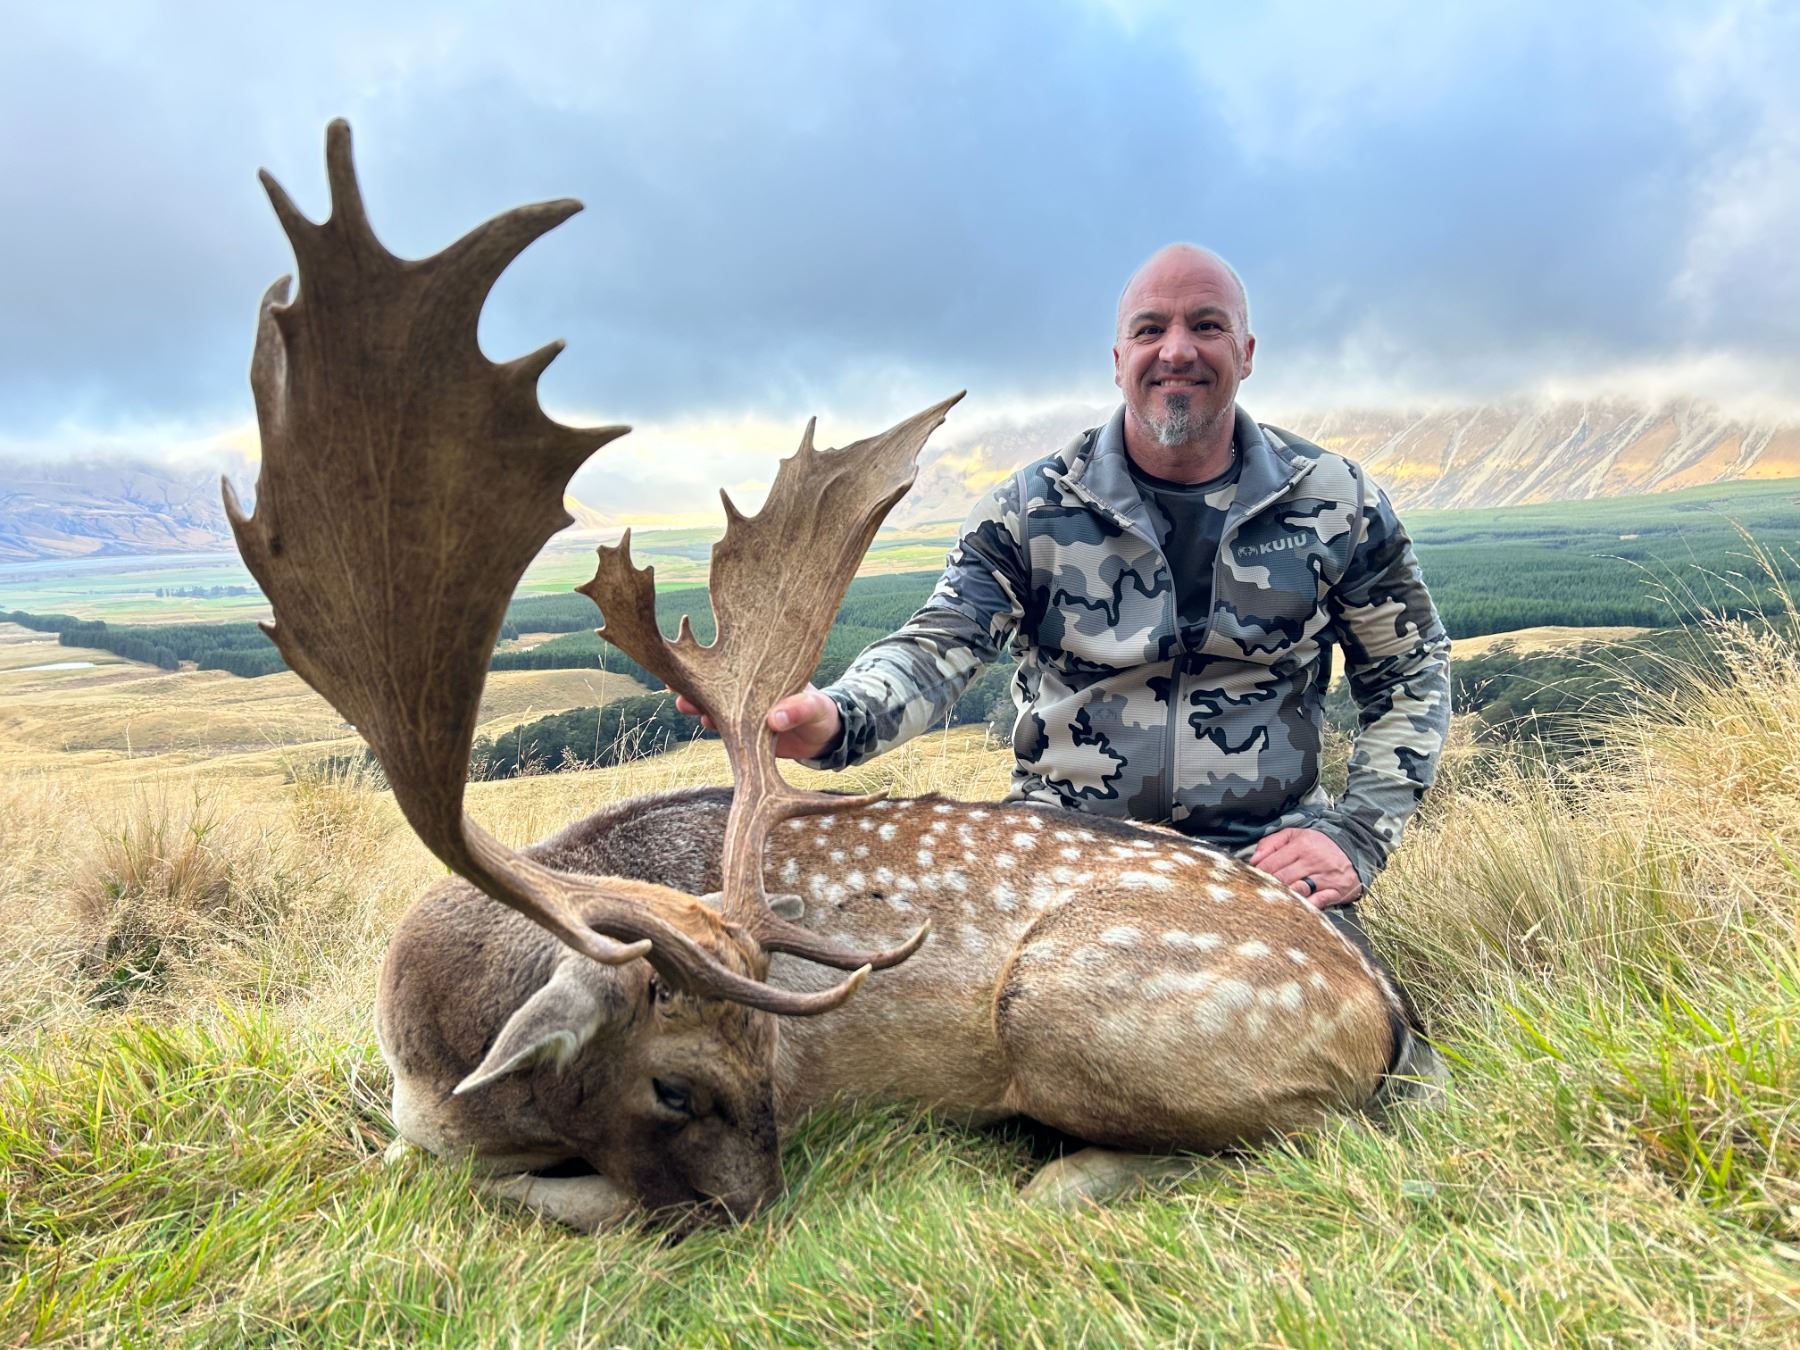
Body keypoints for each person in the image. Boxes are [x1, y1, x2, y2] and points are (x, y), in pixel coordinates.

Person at [679, 244, 1450, 949]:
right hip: (1058, 858)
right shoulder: (1028, 509)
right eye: (1151, 330)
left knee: (1346, 1045)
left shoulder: (1335, 501)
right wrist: (836, 719)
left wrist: (1356, 835)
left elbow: (1411, 670)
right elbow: (935, 648)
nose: (1177, 350)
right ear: (1118, 360)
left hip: (1263, 861)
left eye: (1207, 326)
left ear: (1245, 353)